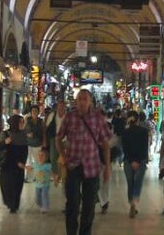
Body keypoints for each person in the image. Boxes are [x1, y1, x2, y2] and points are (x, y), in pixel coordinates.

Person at [56, 89, 111, 235]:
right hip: (73, 166)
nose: (81, 102)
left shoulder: (98, 118)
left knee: (89, 206)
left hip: (92, 167)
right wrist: (63, 156)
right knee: (72, 203)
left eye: (85, 99)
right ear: (75, 101)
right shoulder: (69, 117)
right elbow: (58, 138)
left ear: (90, 101)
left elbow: (105, 144)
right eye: (79, 99)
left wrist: (107, 168)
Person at [0, 115, 30, 213]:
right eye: (20, 122)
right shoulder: (5, 134)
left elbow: (25, 150)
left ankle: (14, 205)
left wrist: (22, 162)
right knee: (7, 186)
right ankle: (10, 203)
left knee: (17, 185)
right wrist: (5, 142)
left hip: (18, 165)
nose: (22, 124)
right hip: (7, 164)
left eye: (22, 122)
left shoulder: (23, 135)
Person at [121, 111, 149, 218]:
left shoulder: (125, 132)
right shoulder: (144, 131)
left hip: (128, 161)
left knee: (130, 183)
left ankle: (131, 203)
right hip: (140, 161)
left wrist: (131, 160)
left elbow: (125, 148)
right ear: (138, 120)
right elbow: (144, 148)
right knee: (138, 182)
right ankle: (135, 203)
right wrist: (139, 160)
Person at [46, 101, 67, 185]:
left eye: (63, 106)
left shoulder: (67, 116)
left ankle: (61, 175)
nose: (61, 108)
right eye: (59, 106)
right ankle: (55, 175)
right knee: (53, 157)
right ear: (57, 107)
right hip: (54, 138)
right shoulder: (52, 115)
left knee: (63, 157)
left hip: (64, 139)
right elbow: (47, 126)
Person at [25, 148, 52, 214]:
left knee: (44, 195)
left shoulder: (48, 165)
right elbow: (30, 168)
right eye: (39, 155)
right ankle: (41, 205)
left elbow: (53, 172)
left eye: (42, 155)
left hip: (45, 185)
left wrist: (56, 177)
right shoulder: (35, 164)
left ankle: (45, 207)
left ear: (46, 158)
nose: (40, 157)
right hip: (37, 185)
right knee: (37, 198)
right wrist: (24, 166)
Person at [24, 105, 45, 182]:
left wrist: (44, 142)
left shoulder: (41, 121)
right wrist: (27, 134)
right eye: (33, 111)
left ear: (38, 112)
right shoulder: (27, 120)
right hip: (28, 143)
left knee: (37, 161)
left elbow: (43, 132)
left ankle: (37, 176)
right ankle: (27, 177)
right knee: (28, 160)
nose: (34, 112)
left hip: (38, 143)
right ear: (31, 112)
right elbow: (23, 129)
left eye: (36, 111)